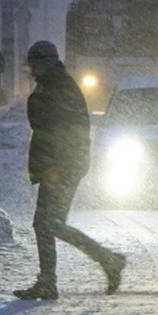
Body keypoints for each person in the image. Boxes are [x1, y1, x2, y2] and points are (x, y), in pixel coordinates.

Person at [14, 41, 126, 301]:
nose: (33, 70)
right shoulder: (55, 85)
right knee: (49, 224)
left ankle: (101, 262)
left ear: (46, 63)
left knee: (47, 223)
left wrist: (55, 167)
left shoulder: (58, 88)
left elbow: (48, 126)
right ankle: (55, 279)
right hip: (60, 166)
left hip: (61, 168)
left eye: (36, 65)